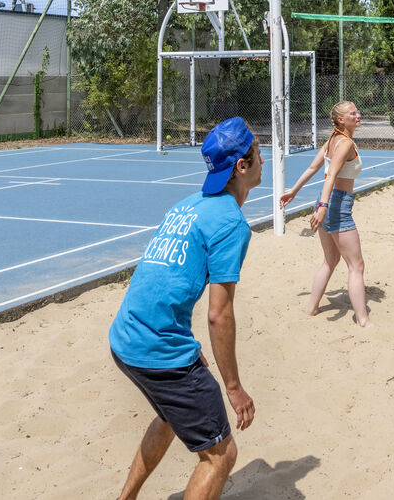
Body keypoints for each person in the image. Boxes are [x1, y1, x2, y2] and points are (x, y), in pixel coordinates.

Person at [109, 117, 262, 500]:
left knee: (169, 417)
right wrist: (234, 387)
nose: (263, 158)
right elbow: (219, 314)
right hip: (158, 352)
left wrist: (190, 350)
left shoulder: (185, 206)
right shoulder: (230, 222)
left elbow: (162, 284)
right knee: (221, 455)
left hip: (124, 338)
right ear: (241, 166)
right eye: (258, 152)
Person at [279, 100, 374, 328]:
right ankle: (362, 319)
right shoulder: (345, 143)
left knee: (330, 260)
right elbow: (330, 175)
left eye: (357, 111)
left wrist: (293, 190)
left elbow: (313, 169)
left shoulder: (332, 139)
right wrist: (322, 207)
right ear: (341, 119)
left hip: (327, 203)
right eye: (353, 113)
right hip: (335, 204)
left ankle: (312, 308)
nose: (358, 115)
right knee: (356, 265)